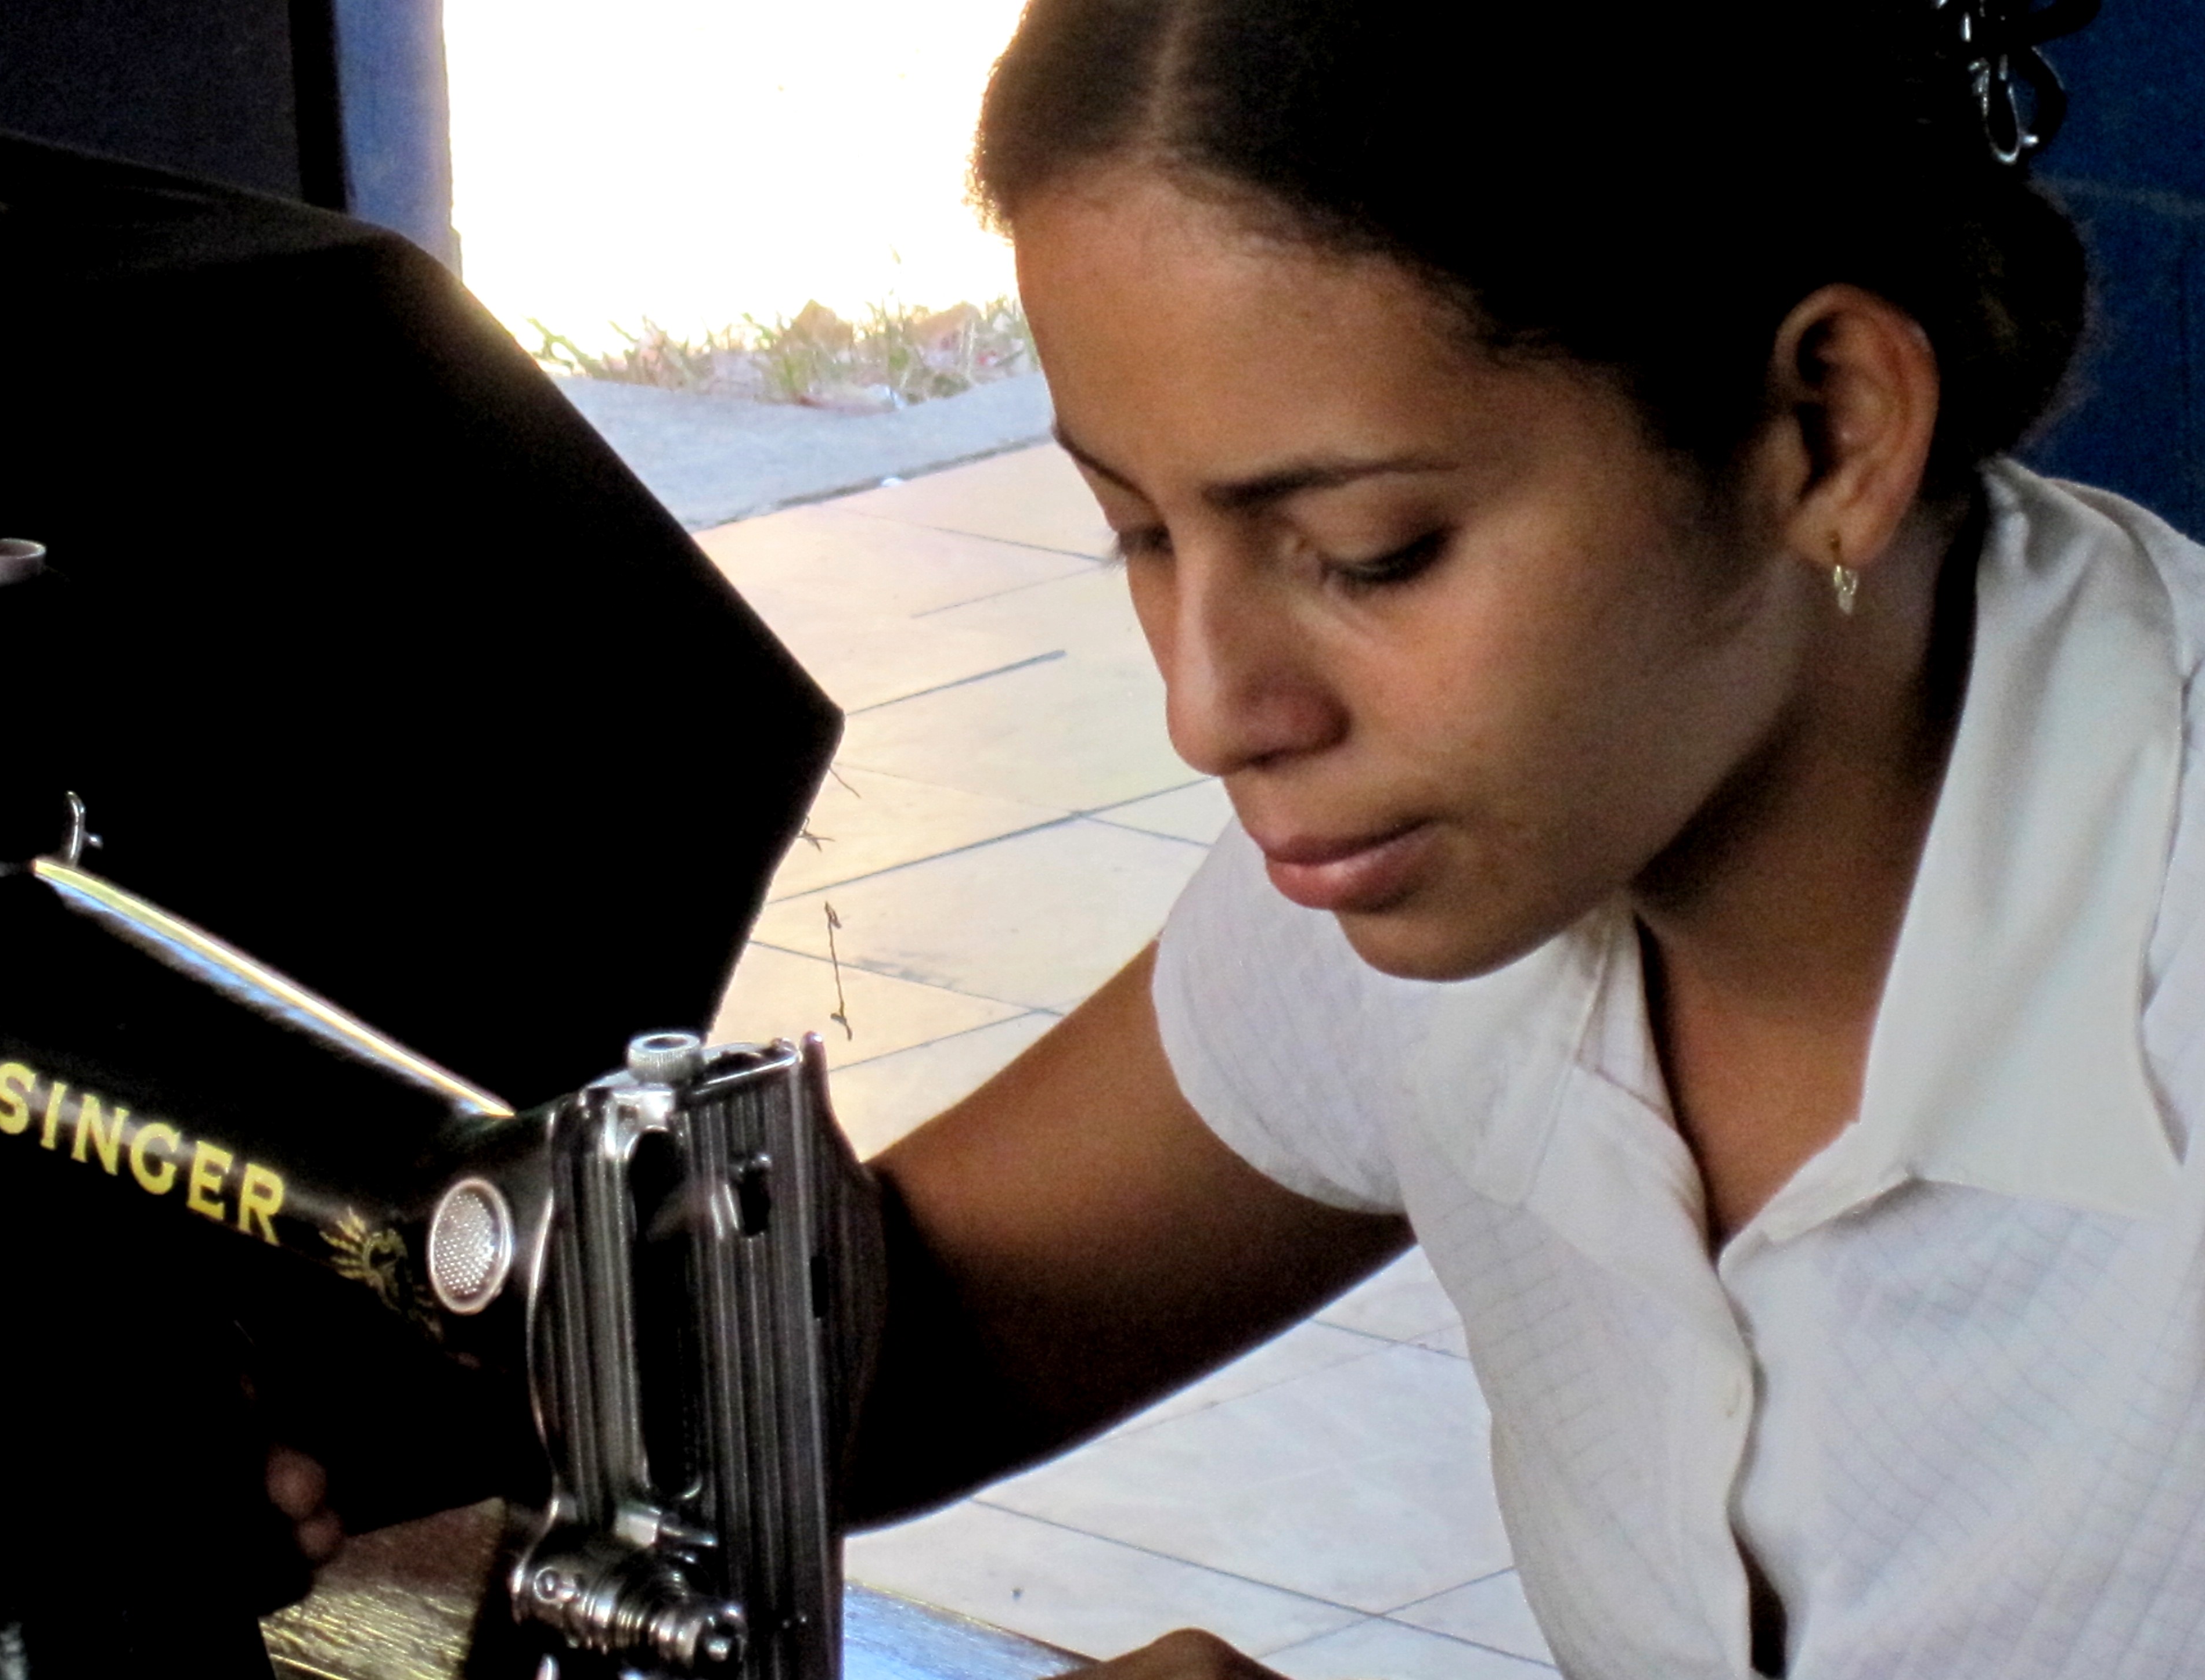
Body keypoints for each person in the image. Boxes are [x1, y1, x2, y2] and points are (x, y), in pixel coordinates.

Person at [841, 2, 2205, 1677]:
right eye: (1138, 531)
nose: (1212, 709)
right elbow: (917, 1342)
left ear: (1828, 431)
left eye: (1374, 552)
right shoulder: (1468, 843)